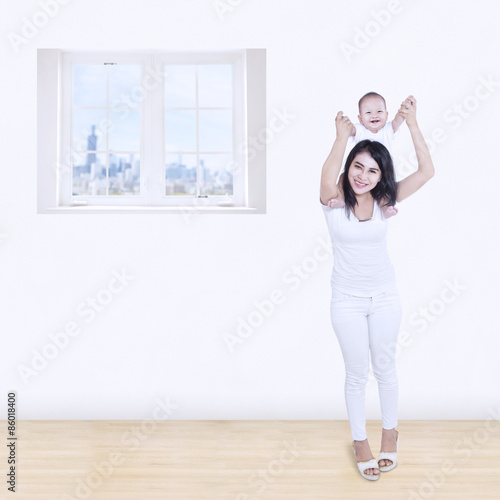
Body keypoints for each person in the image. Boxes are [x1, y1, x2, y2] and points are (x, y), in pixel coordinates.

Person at [319, 96, 434, 480]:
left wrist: (412, 122)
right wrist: (341, 137)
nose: (362, 175)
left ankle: (389, 434)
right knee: (356, 373)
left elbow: (427, 171)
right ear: (349, 167)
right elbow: (330, 171)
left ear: (380, 176)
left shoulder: (386, 197)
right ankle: (359, 442)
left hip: (384, 297)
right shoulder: (333, 202)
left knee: (385, 367)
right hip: (346, 301)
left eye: (371, 170)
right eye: (357, 166)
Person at [327, 92, 407, 219]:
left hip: (381, 172)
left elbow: (399, 120)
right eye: (368, 113)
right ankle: (341, 198)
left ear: (386, 115)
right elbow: (350, 130)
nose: (374, 115)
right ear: (360, 118)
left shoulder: (387, 130)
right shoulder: (360, 130)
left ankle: (385, 208)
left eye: (379, 111)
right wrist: (344, 123)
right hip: (362, 170)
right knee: (343, 178)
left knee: (384, 192)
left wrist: (404, 110)